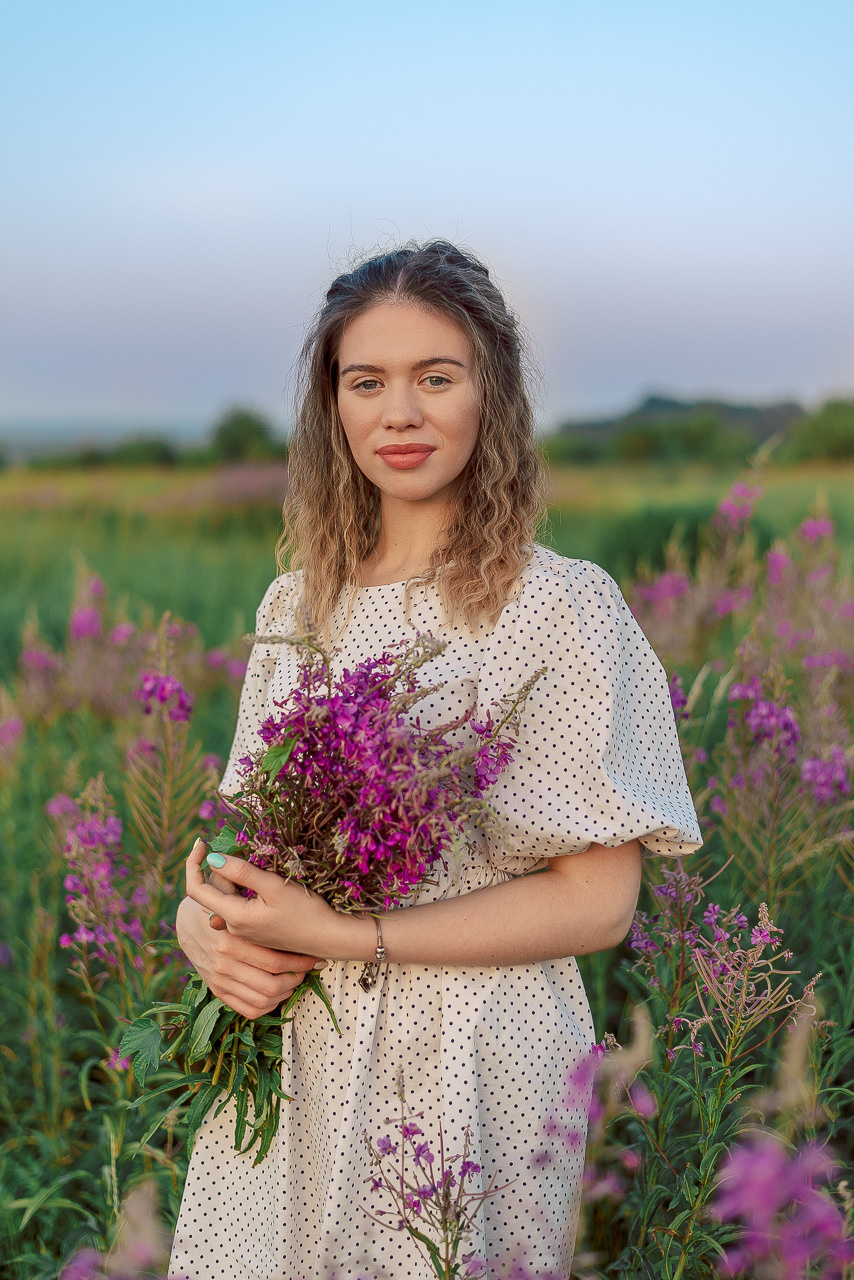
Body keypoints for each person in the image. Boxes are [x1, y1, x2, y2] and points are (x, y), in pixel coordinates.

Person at [169, 241, 702, 1280]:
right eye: (365, 381)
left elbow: (597, 903)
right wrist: (206, 926)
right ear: (332, 405)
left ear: (488, 392)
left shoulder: (560, 603)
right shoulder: (297, 606)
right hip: (297, 1052)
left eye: (435, 376)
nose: (398, 413)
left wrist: (343, 932)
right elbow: (255, 852)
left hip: (477, 1053)